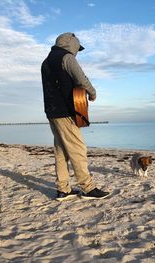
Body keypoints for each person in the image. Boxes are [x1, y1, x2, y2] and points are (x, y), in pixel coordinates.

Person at [41, 32, 110, 201]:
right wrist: (92, 93)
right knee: (78, 149)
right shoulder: (66, 58)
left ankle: (63, 190)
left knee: (61, 150)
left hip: (51, 111)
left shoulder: (46, 62)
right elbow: (81, 79)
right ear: (71, 44)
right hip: (65, 112)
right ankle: (88, 188)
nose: (77, 51)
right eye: (77, 48)